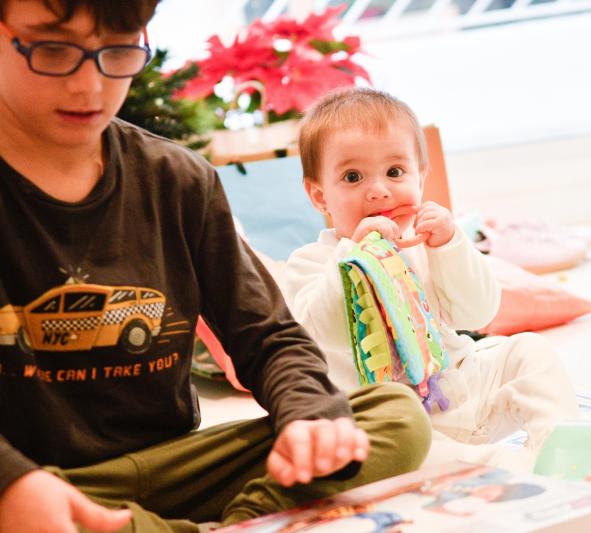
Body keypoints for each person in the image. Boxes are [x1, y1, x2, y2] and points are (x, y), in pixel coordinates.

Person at [0, 2, 431, 531]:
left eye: (118, 48)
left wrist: (309, 416)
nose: (90, 86)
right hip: (35, 483)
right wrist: (13, 483)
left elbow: (269, 337)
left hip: (177, 464)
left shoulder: (177, 180)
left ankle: (230, 525)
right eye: (53, 49)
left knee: (393, 416)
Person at [284, 87, 579, 472]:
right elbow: (324, 331)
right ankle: (511, 468)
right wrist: (353, 255)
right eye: (353, 176)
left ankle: (560, 450)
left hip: (467, 389)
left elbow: (478, 312)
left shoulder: (429, 245)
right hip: (402, 425)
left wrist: (452, 246)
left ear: (420, 178)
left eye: (394, 172)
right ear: (320, 196)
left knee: (528, 352)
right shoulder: (311, 263)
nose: (378, 190)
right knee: (381, 450)